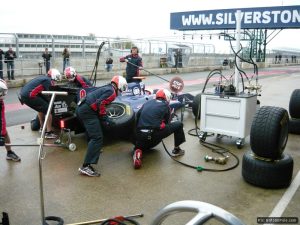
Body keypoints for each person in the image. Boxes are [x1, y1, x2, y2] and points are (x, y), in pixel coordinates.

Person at [76, 75, 128, 177]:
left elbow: (98, 103)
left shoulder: (107, 87)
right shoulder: (112, 92)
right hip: (88, 111)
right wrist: (105, 119)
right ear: (120, 85)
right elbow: (101, 103)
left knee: (93, 133)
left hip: (82, 108)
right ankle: (86, 166)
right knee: (97, 137)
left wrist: (104, 119)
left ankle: (94, 150)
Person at [132, 88, 186, 169]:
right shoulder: (166, 106)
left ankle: (138, 151)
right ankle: (177, 150)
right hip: (153, 133)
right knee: (179, 125)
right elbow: (167, 123)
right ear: (167, 97)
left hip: (140, 134)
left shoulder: (147, 103)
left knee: (141, 144)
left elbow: (137, 116)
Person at [19, 68, 62, 139]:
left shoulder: (43, 78)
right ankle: (49, 132)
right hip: (29, 95)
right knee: (48, 110)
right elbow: (50, 94)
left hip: (23, 94)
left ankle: (42, 128)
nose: (56, 80)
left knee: (41, 109)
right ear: (54, 75)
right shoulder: (48, 80)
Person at [0, 79, 21, 162]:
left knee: (4, 132)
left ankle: (9, 152)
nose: (4, 94)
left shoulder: (0, 103)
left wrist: (2, 134)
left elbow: (2, 120)